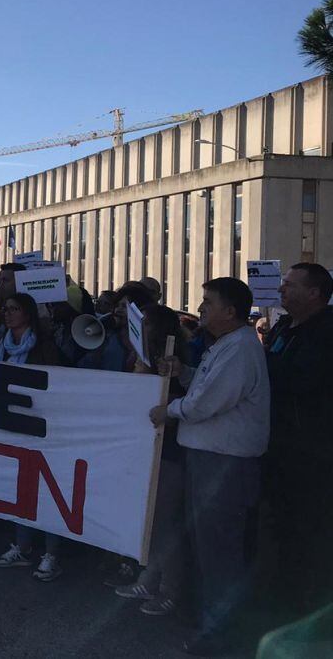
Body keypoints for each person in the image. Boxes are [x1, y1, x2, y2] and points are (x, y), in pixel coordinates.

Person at [151, 277, 269, 656]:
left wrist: (166, 411)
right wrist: (182, 372)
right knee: (208, 548)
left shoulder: (239, 349)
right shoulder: (227, 345)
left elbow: (203, 405)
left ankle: (220, 636)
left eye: (207, 302)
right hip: (209, 461)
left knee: (220, 554)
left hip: (224, 466)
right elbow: (203, 389)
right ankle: (209, 623)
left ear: (230, 311)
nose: (200, 308)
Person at [263, 262, 333, 615]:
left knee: (309, 530)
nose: (281, 290)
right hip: (277, 447)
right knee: (280, 527)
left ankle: (308, 605)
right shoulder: (282, 328)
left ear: (314, 293)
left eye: (289, 285)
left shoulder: (326, 333)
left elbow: (303, 382)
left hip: (312, 453)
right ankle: (281, 595)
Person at [115, 305, 190, 616]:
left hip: (171, 451)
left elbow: (182, 400)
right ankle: (150, 577)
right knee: (152, 521)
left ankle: (171, 589)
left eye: (144, 324)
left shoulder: (174, 363)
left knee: (166, 522)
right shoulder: (142, 359)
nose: (139, 327)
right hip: (146, 449)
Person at [0, 292, 64, 581]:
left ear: (28, 314)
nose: (8, 313)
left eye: (14, 309)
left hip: (40, 428)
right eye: (5, 308)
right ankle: (22, 546)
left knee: (46, 491)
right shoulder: (2, 345)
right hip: (11, 427)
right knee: (20, 490)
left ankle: (52, 553)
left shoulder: (44, 347)